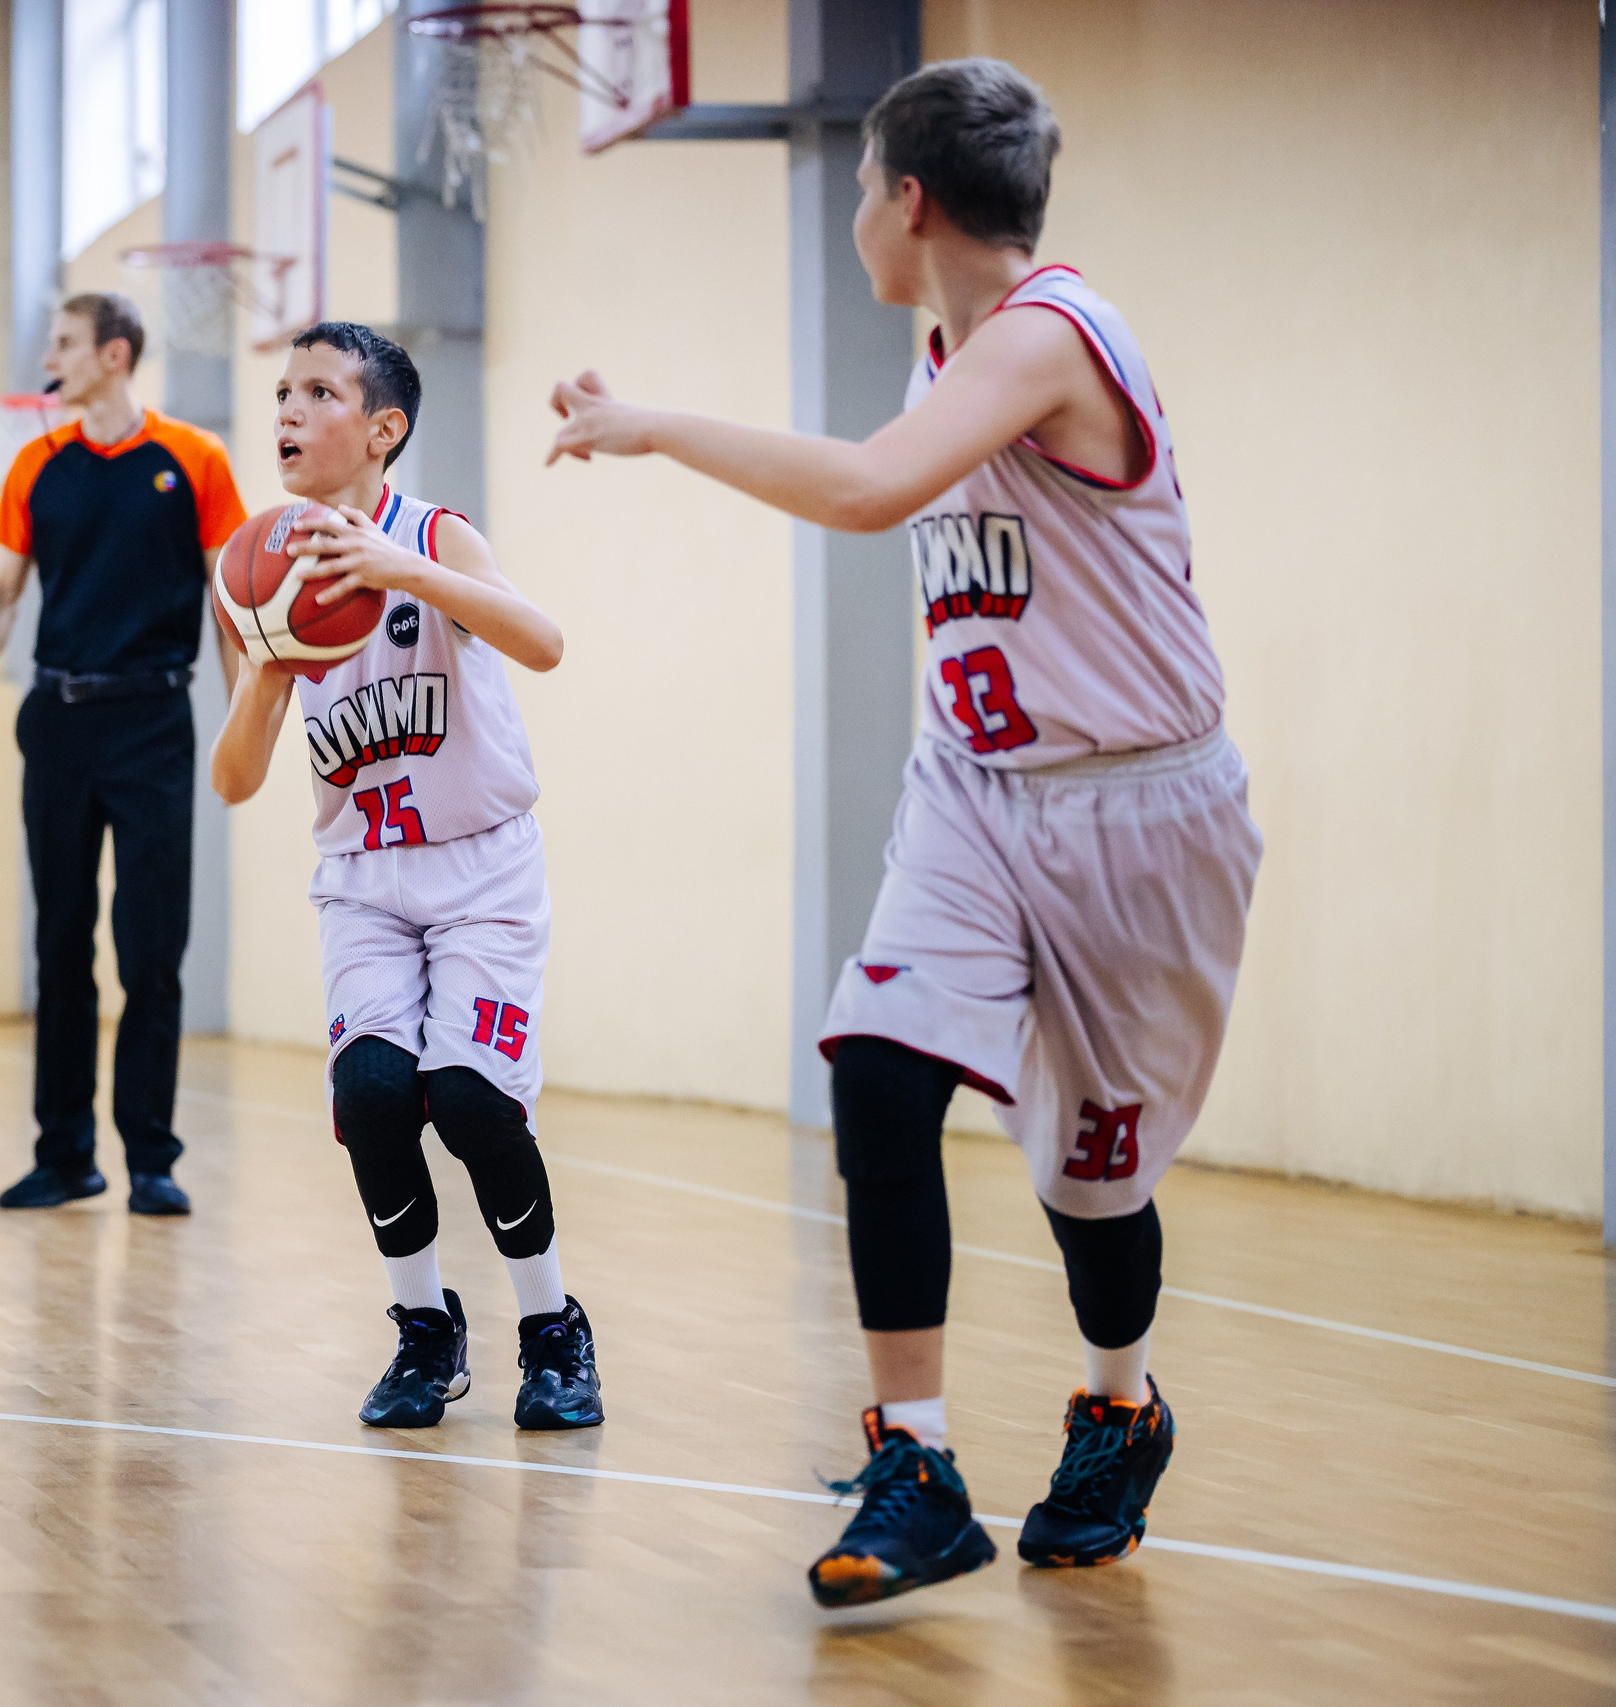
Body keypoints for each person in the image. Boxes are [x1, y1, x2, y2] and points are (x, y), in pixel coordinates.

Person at [548, 58, 1261, 1602]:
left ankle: (1120, 1404)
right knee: (875, 1067)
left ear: (910, 198)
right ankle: (916, 1459)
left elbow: (873, 492)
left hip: (1141, 807)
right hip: (977, 792)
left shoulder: (1053, 336)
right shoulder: (952, 344)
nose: (858, 214)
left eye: (864, 188)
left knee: (1097, 1183)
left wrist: (654, 424)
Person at [214, 322, 602, 1432]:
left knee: (473, 1100)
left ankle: (551, 1327)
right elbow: (234, 781)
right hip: (364, 875)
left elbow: (542, 642)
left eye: (317, 393)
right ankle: (426, 1332)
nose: (285, 411)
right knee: (374, 1096)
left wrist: (404, 570)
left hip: (480, 871)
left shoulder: (438, 535)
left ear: (382, 430)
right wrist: (266, 663)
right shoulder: (268, 571)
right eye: (281, 392)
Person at [0, 294, 248, 1217]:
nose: (51, 357)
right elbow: (0, 594)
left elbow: (232, 601)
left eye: (65, 343)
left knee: (153, 948)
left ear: (115, 355)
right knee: (61, 943)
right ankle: (65, 1154)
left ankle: (152, 1156)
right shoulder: (36, 463)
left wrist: (243, 721)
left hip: (156, 723)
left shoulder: (196, 459)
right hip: (59, 720)